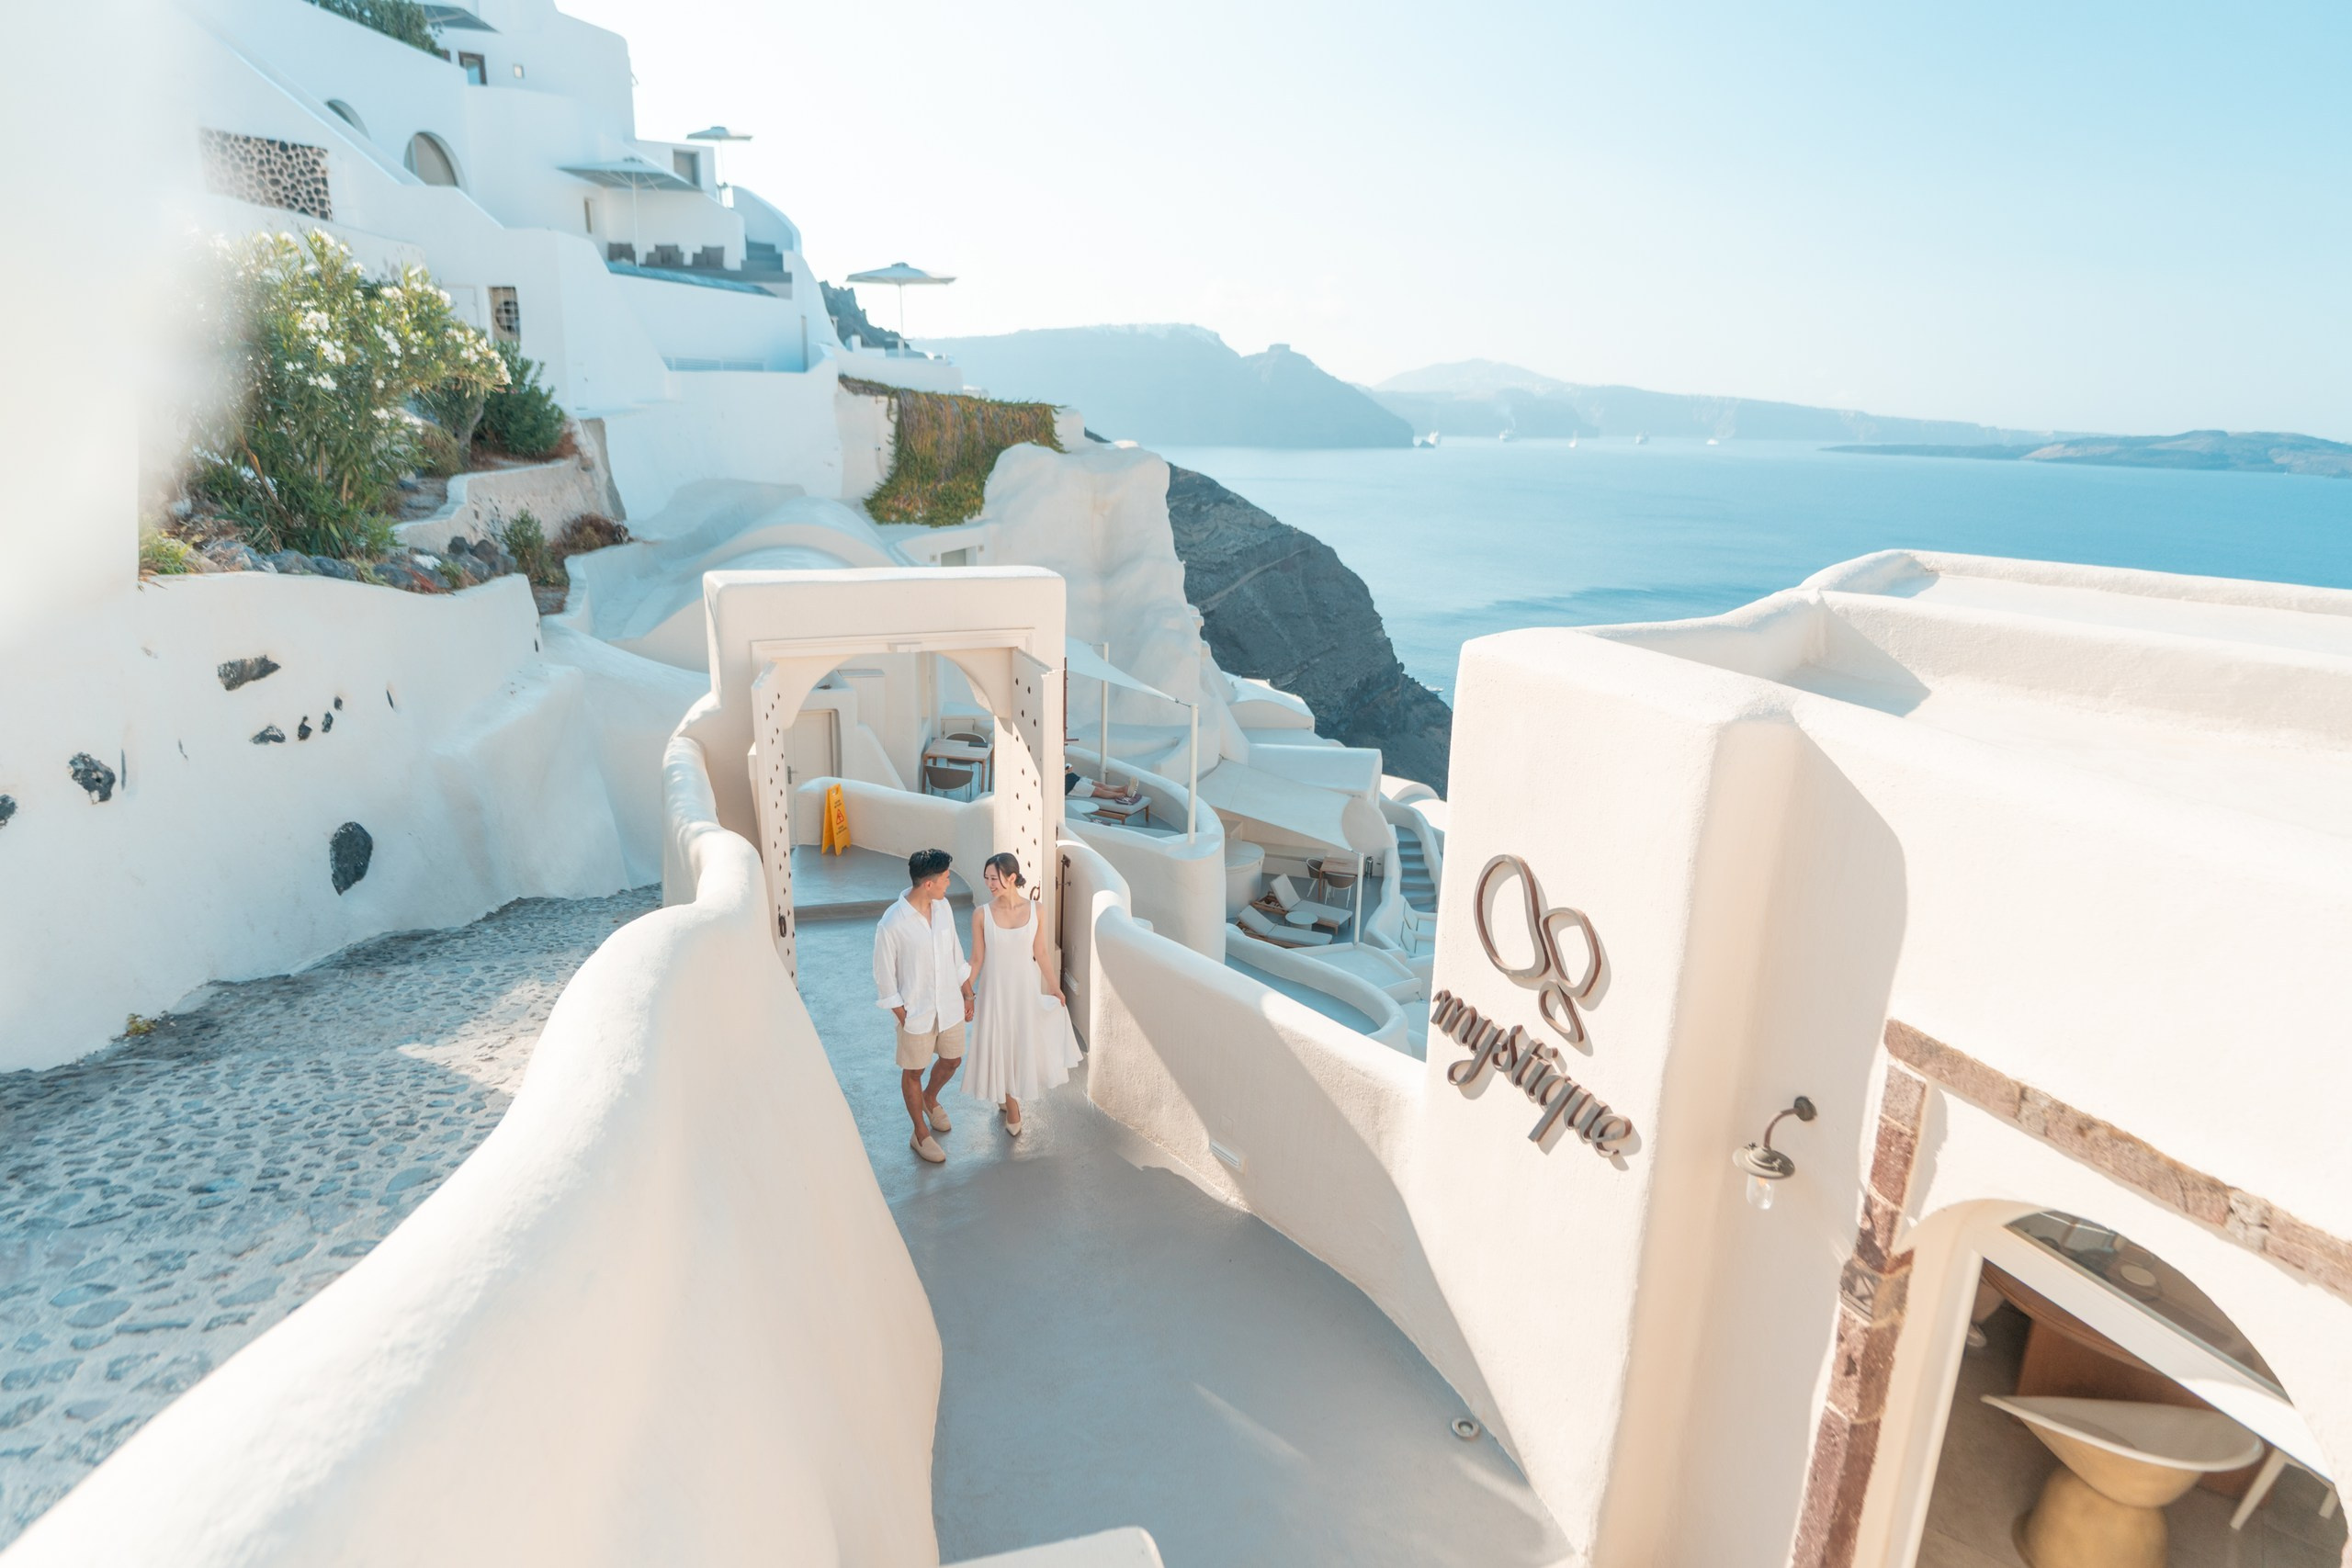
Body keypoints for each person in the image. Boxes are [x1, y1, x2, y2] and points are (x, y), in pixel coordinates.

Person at [963, 852, 1080, 1136]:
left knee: (1019, 1042)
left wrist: (1054, 987)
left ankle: (1007, 1093)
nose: (989, 884)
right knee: (1001, 1042)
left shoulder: (1037, 910)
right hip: (995, 991)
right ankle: (1012, 1104)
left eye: (994, 878)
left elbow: (1041, 952)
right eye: (986, 879)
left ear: (1012, 877)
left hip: (1024, 989)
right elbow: (977, 959)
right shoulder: (981, 915)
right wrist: (966, 992)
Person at [872, 847, 973, 1164]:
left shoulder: (943, 908)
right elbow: (884, 978)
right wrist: (904, 1015)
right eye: (945, 878)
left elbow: (955, 952)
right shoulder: (891, 924)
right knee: (914, 1070)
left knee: (952, 1060)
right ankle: (920, 1133)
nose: (949, 883)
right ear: (928, 884)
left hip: (950, 1005)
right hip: (916, 1012)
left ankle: (930, 1098)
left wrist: (968, 994)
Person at [1065, 769, 1139, 805]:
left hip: (1073, 778)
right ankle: (1123, 795)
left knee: (1102, 785)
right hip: (1070, 786)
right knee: (1098, 791)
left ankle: (1124, 789)